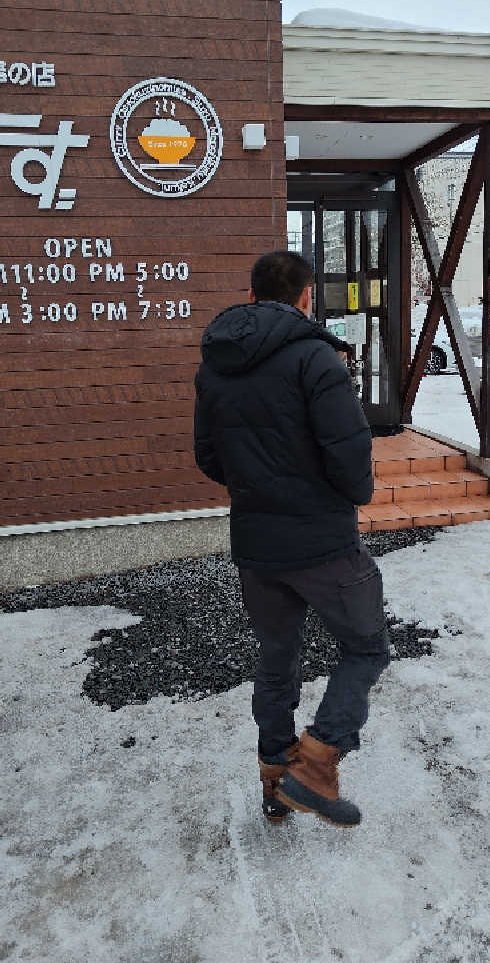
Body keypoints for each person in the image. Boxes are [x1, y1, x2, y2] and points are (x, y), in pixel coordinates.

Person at [193, 249, 390, 827]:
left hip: (256, 542)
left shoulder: (215, 367)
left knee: (278, 657)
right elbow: (350, 456)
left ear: (251, 296)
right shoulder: (316, 359)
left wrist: (259, 485)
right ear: (306, 296)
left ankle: (275, 780)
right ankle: (318, 764)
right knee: (366, 646)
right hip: (322, 543)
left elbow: (209, 457)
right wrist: (347, 494)